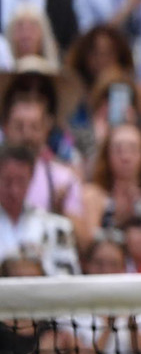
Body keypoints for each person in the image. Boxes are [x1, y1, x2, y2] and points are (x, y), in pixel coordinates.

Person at [2, 79, 84, 244]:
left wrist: (61, 213)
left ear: (47, 129)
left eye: (34, 127)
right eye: (19, 126)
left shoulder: (64, 179)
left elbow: (80, 241)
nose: (27, 135)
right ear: (5, 127)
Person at [0, 144, 79, 277]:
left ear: (31, 179)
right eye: (7, 181)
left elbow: (68, 281)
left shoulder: (58, 228)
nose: (14, 190)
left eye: (21, 181)